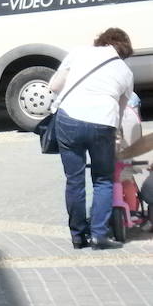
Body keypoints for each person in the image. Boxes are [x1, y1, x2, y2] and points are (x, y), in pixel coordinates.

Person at [49, 27, 134, 250]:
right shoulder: (125, 72)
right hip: (103, 122)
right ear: (123, 50)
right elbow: (121, 110)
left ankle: (78, 237)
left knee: (74, 180)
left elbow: (54, 86)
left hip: (69, 120)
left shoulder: (79, 53)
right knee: (103, 179)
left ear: (102, 41)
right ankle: (99, 235)